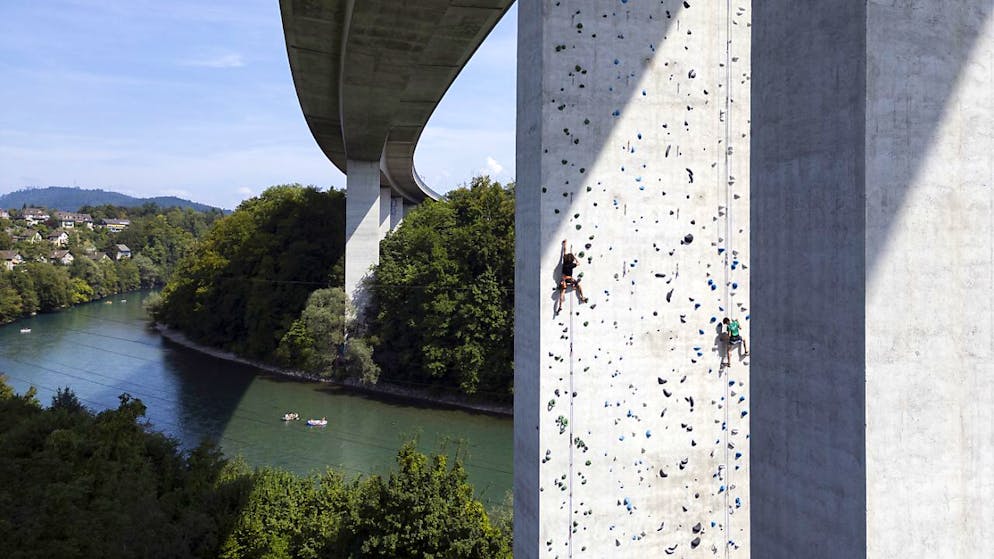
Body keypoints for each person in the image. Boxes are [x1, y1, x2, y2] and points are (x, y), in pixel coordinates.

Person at [559, 239, 588, 310]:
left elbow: (564, 252)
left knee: (562, 292)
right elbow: (578, 263)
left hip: (563, 279)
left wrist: (564, 244)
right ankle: (582, 297)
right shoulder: (572, 265)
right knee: (578, 286)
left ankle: (560, 306)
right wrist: (575, 257)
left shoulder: (565, 263)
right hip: (569, 279)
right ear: (571, 260)